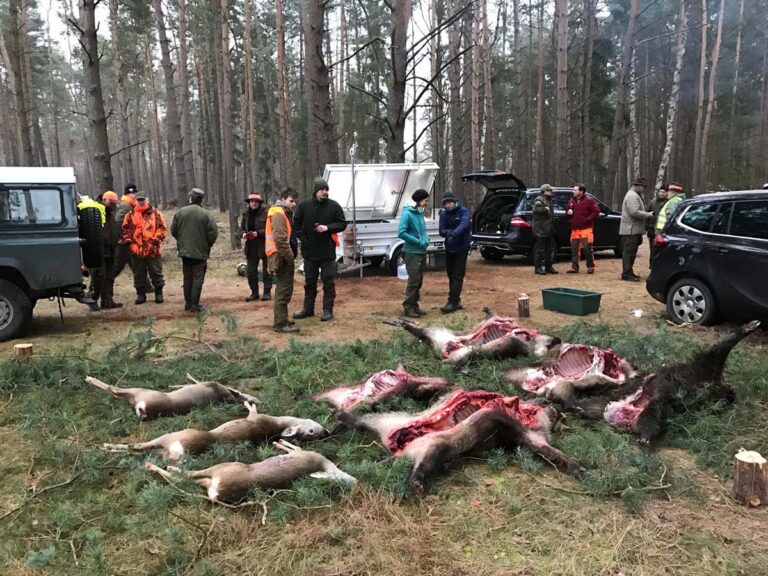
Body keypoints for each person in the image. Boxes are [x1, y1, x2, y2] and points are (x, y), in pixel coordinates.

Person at [292, 178, 348, 322]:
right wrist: (304, 238)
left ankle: (327, 311)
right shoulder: (304, 206)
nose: (325, 192)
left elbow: (342, 223)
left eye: (326, 189)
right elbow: (295, 224)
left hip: (327, 252)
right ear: (316, 191)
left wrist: (328, 228)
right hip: (310, 252)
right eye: (322, 189)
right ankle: (308, 309)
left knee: (328, 282)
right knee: (309, 282)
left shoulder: (334, 206)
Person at [171, 188, 219, 312]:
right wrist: (207, 244)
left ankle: (188, 304)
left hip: (185, 252)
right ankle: (194, 305)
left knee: (187, 278)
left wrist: (182, 241)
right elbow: (213, 233)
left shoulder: (180, 212)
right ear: (201, 200)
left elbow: (173, 230)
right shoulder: (206, 214)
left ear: (191, 198)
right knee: (198, 278)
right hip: (200, 252)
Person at [121, 192, 167, 304]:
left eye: (143, 200)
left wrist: (156, 240)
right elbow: (124, 230)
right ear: (135, 201)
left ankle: (159, 293)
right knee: (138, 274)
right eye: (139, 200)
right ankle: (141, 295)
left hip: (153, 250)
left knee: (156, 273)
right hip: (136, 251)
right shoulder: (130, 215)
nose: (141, 202)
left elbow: (162, 229)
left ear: (147, 200)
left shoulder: (155, 213)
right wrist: (129, 242)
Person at [266, 188, 300, 333]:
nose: (293, 204)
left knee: (285, 289)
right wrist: (290, 257)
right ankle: (280, 323)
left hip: (280, 255)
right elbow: (280, 240)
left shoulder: (282, 212)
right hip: (281, 256)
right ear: (284, 199)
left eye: (295, 202)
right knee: (283, 290)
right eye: (291, 201)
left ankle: (283, 319)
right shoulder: (279, 214)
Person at [398, 188, 431, 318]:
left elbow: (422, 231)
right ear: (419, 201)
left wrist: (426, 239)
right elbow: (401, 232)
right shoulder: (408, 213)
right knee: (413, 281)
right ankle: (408, 307)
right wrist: (418, 242)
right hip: (412, 252)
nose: (427, 202)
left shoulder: (419, 213)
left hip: (421, 251)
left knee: (419, 281)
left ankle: (414, 305)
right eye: (425, 200)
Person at [114, 183, 152, 292]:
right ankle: (101, 288)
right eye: (133, 193)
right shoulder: (126, 206)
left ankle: (146, 286)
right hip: (123, 244)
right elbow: (118, 223)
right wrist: (124, 237)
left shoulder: (130, 205)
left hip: (130, 243)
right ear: (129, 194)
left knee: (137, 265)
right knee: (116, 267)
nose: (135, 195)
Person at [438, 192, 471, 313]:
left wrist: (453, 233)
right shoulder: (444, 214)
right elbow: (441, 230)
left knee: (457, 275)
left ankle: (452, 302)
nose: (447, 205)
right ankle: (456, 300)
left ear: (454, 201)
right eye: (445, 203)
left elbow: (464, 225)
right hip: (449, 248)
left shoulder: (464, 212)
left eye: (449, 203)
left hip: (462, 248)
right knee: (451, 275)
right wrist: (449, 233)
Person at [90, 191, 123, 309]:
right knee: (98, 276)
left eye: (115, 203)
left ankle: (107, 300)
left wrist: (118, 238)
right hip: (99, 250)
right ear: (104, 200)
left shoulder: (110, 213)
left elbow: (112, 230)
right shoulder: (95, 211)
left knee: (109, 277)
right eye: (111, 202)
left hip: (111, 249)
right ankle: (92, 299)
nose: (113, 205)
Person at [619, 177, 653, 282]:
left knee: (631, 253)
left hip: (633, 229)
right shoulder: (632, 196)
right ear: (637, 185)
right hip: (630, 230)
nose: (643, 189)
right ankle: (626, 273)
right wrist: (648, 215)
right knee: (629, 253)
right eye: (643, 187)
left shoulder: (635, 195)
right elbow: (634, 212)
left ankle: (629, 272)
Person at [240, 193, 271, 302]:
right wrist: (243, 234)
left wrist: (258, 233)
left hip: (264, 245)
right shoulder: (245, 215)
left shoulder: (266, 214)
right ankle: (254, 293)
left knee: (267, 271)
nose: (253, 203)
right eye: (251, 201)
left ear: (259, 203)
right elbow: (241, 229)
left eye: (255, 201)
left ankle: (267, 293)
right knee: (251, 271)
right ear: (249, 203)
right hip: (251, 246)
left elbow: (270, 229)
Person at [565, 184, 600, 274]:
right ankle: (574, 267)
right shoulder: (572, 200)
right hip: (575, 229)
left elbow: (596, 211)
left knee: (587, 248)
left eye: (575, 190)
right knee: (574, 249)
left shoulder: (589, 200)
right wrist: (568, 212)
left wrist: (587, 219)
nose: (573, 192)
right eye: (573, 190)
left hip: (586, 229)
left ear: (581, 192)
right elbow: (567, 210)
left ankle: (590, 266)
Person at [531, 184, 558, 275]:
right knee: (539, 250)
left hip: (548, 229)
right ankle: (538, 268)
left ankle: (548, 267)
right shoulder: (539, 199)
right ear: (544, 191)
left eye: (551, 190)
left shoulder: (549, 200)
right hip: (540, 229)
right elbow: (536, 210)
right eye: (549, 190)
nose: (551, 191)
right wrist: (545, 209)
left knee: (549, 249)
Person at [646, 183, 668, 265]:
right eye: (661, 191)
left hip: (664, 231)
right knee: (653, 250)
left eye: (664, 192)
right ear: (658, 192)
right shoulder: (652, 202)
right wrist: (648, 228)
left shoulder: (669, 203)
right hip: (652, 231)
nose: (662, 193)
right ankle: (652, 267)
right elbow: (646, 215)